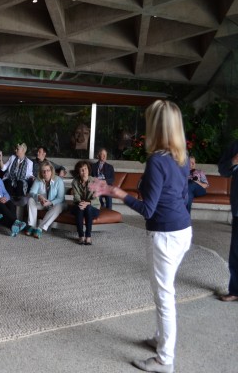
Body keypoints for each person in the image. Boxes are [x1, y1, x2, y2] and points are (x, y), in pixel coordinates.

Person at [90, 100, 192, 373]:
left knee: (164, 295)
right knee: (165, 290)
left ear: (157, 126)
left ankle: (164, 360)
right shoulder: (181, 156)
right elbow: (182, 195)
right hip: (183, 230)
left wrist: (116, 192)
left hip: (166, 235)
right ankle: (160, 340)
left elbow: (148, 209)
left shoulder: (157, 160)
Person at [217, 140, 238, 302]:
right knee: (236, 252)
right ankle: (235, 290)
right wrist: (234, 161)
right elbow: (223, 170)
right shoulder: (235, 145)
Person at [25, 160, 66, 239]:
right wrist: (38, 196)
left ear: (51, 171)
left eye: (48, 170)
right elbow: (31, 192)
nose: (46, 173)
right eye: (43, 171)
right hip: (43, 203)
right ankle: (32, 226)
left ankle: (39, 228)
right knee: (31, 200)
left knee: (58, 206)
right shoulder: (38, 179)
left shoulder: (58, 180)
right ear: (41, 172)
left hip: (56, 204)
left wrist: (50, 202)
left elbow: (61, 198)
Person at [70, 160, 100, 245]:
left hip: (93, 207)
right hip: (79, 205)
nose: (84, 171)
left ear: (88, 169)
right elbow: (76, 197)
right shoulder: (75, 181)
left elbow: (96, 199)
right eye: (81, 170)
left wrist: (87, 203)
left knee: (88, 208)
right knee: (80, 208)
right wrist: (81, 202)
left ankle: (88, 236)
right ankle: (81, 236)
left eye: (85, 169)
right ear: (78, 172)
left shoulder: (95, 181)